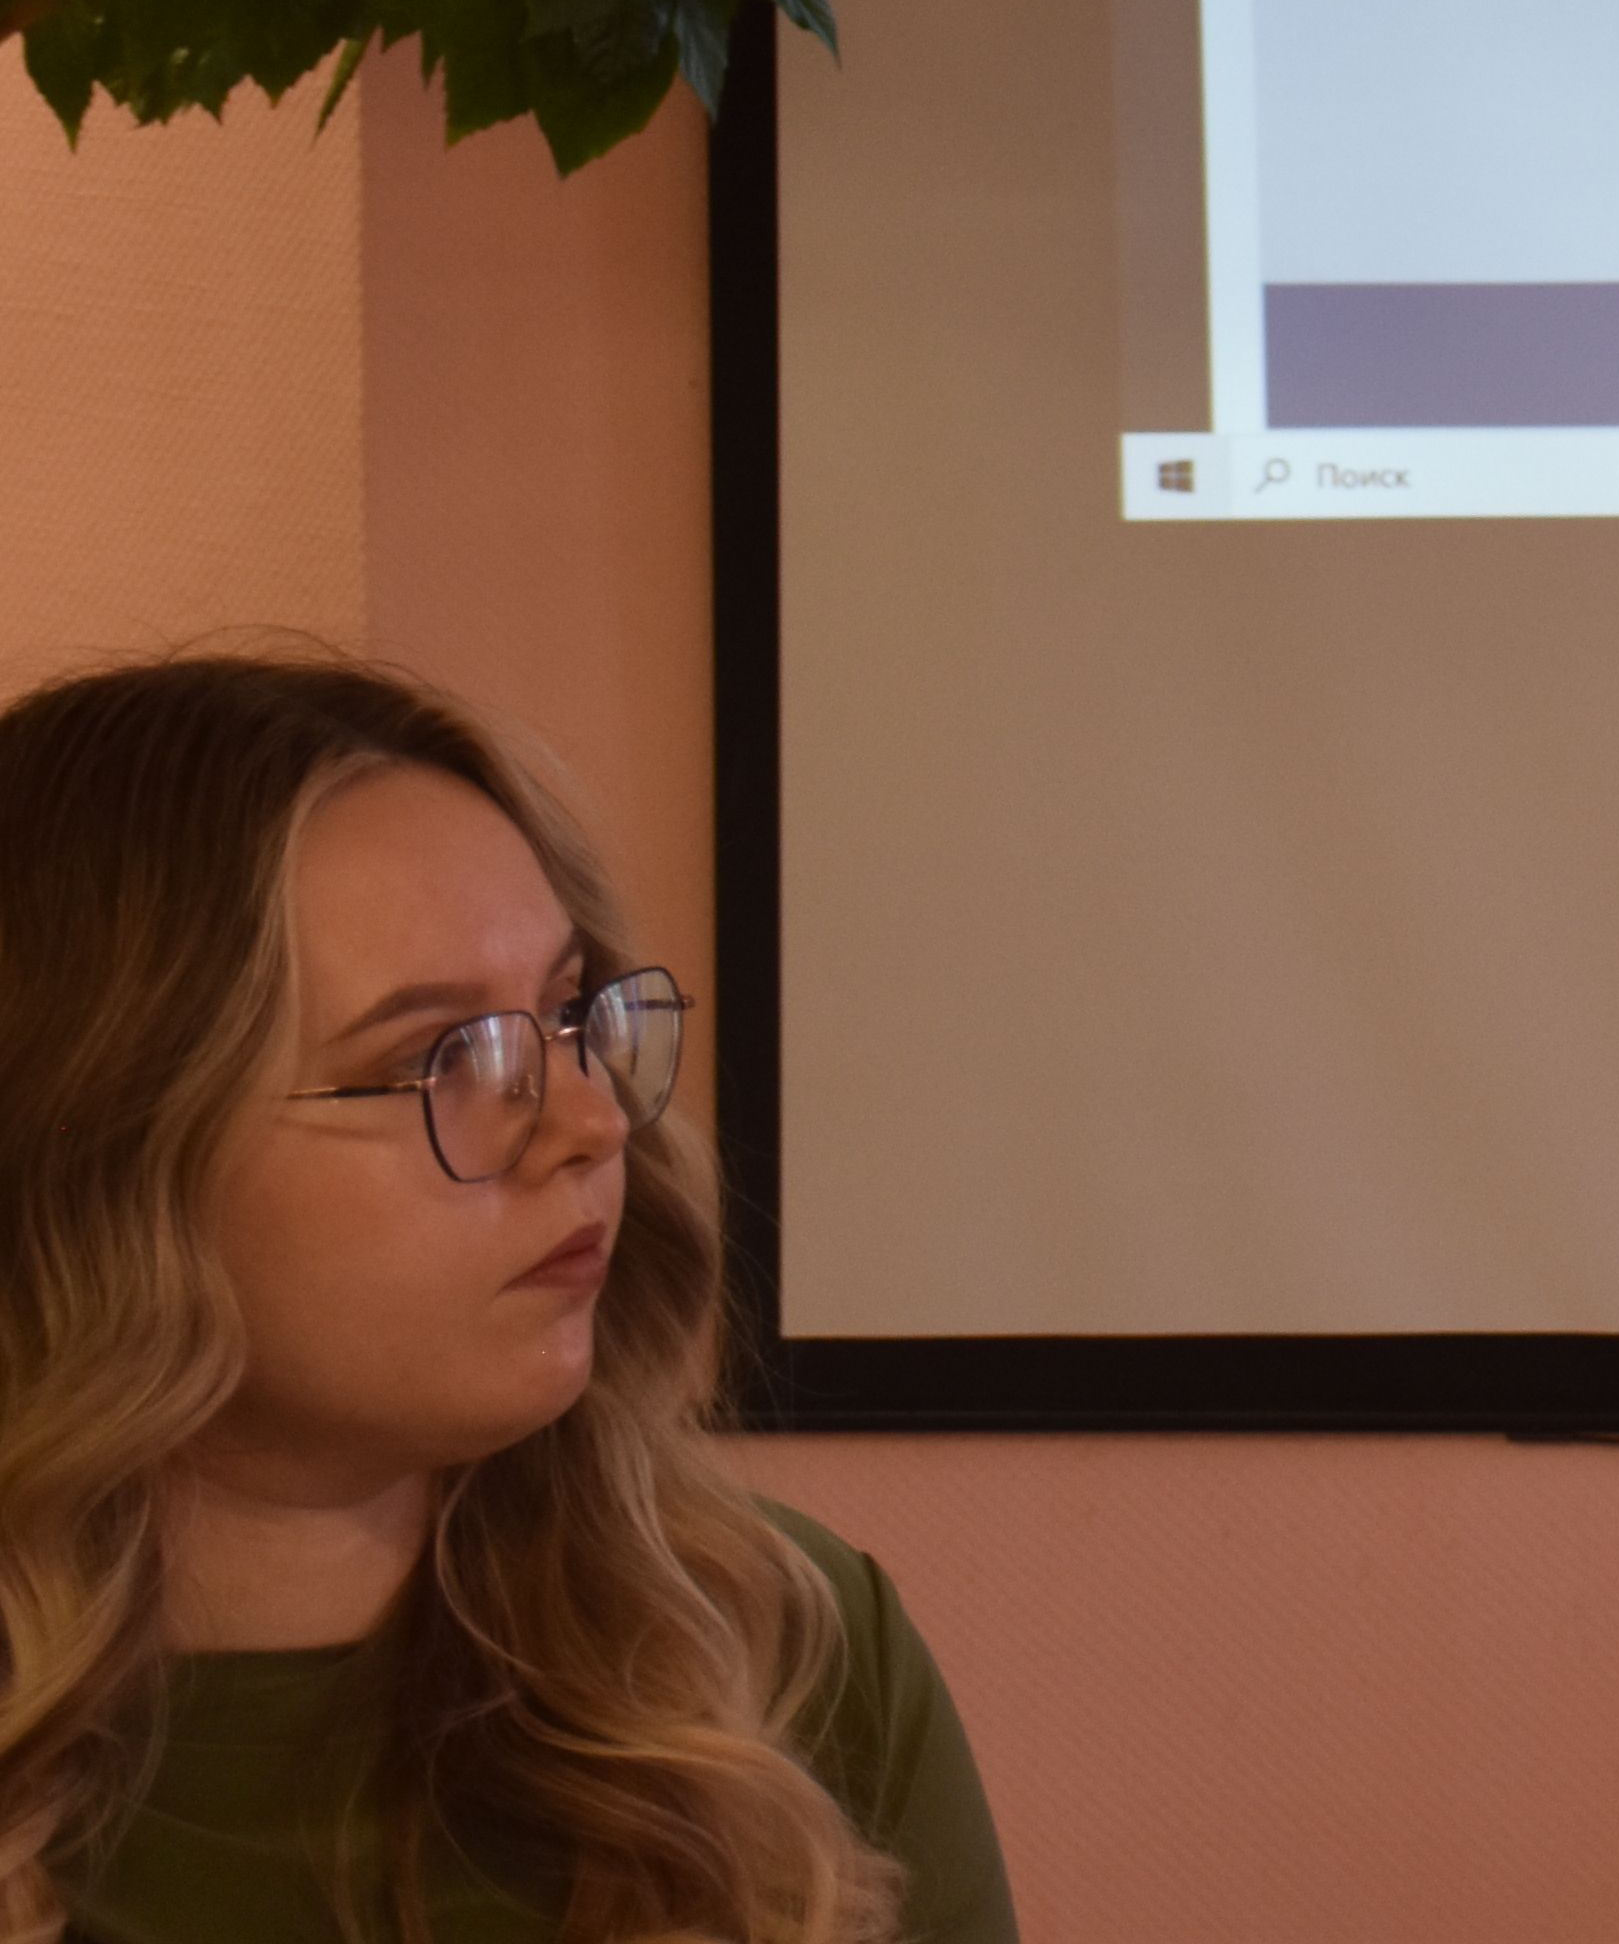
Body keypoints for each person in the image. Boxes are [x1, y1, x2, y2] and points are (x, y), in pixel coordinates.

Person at [2, 646, 1014, 1942]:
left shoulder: (777, 1643)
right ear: (98, 1153)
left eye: (569, 1014)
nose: (592, 1122)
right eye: (439, 1056)